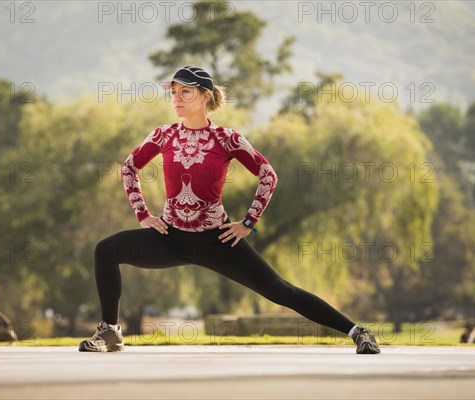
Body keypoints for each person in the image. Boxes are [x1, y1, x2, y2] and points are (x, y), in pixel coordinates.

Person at [79, 66, 381, 354]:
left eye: (185, 92)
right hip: (169, 239)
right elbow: (129, 167)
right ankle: (110, 331)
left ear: (205, 96)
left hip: (218, 242)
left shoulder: (227, 139)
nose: (177, 99)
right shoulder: (163, 135)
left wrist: (249, 222)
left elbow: (268, 175)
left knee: (280, 290)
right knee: (106, 251)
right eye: (173, 93)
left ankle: (358, 332)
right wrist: (143, 214)